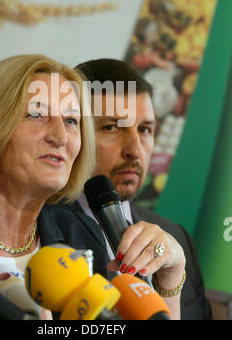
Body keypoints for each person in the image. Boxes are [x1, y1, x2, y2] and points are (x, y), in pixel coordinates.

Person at [0, 54, 108, 319]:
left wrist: (168, 285)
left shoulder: (80, 235)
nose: (60, 137)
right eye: (37, 114)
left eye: (71, 121)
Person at [68, 58, 212, 320]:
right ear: (73, 130)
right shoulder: (39, 227)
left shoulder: (177, 237)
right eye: (111, 127)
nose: (134, 149)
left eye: (145, 129)